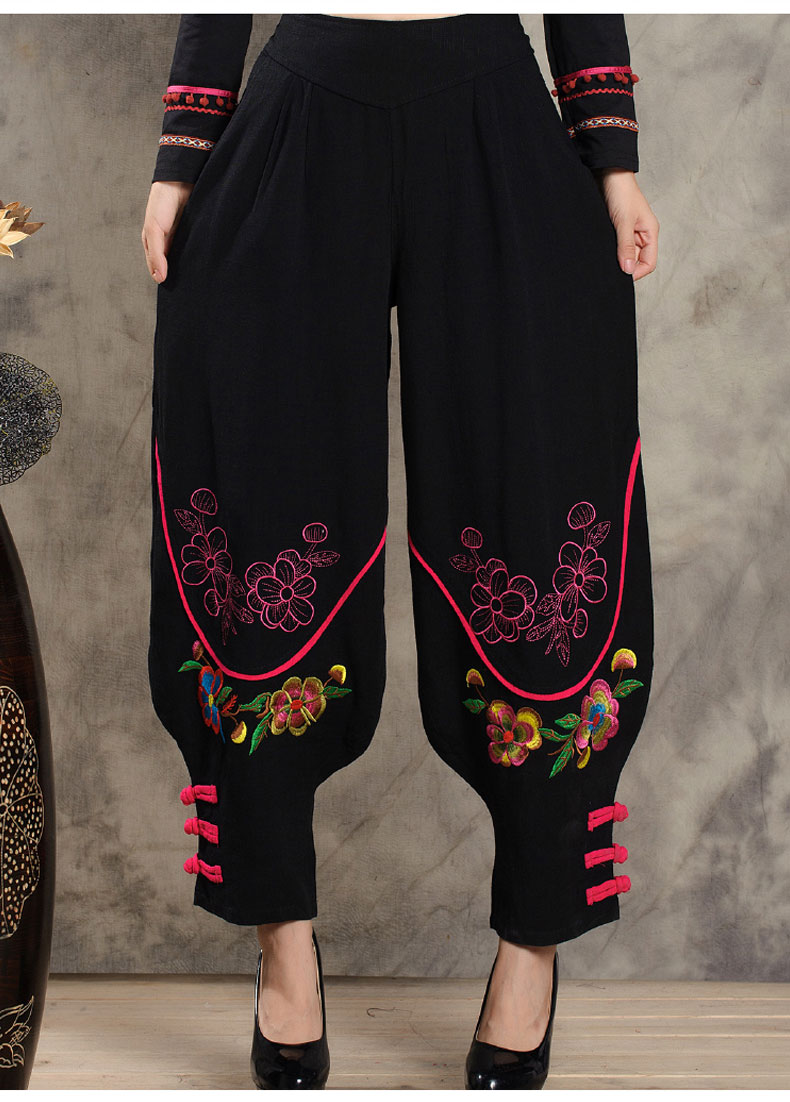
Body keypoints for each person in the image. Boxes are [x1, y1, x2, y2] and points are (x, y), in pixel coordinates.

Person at [141, 12, 659, 1090]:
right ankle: (283, 946)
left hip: (492, 108)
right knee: (256, 513)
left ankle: (532, 947)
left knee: (537, 521)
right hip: (298, 108)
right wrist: (181, 157)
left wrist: (612, 158)